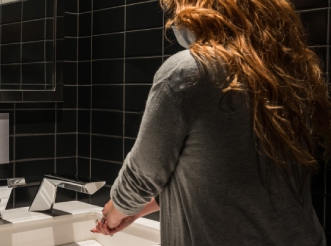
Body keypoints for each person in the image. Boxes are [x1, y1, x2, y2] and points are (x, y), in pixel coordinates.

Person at [92, 0, 331, 245]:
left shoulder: (189, 70)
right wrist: (138, 210)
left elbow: (143, 174)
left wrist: (116, 210)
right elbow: (235, 179)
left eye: (179, 12)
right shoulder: (289, 75)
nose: (175, 22)